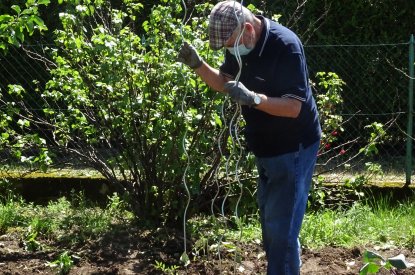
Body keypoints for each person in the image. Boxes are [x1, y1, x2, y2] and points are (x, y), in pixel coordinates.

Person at [178, 1, 321, 274]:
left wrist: (255, 99)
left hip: (294, 148)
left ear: (247, 29)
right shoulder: (239, 44)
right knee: (273, 223)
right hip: (265, 147)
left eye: (230, 43)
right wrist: (198, 65)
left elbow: (294, 107)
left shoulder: (286, 46)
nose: (230, 51)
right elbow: (226, 84)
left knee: (282, 231)